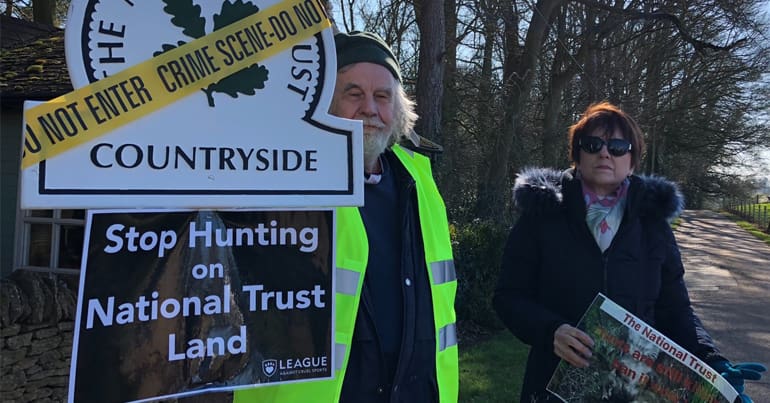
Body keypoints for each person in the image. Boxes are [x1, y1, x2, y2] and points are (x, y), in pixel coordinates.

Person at [234, 31, 458, 402]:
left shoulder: (418, 179)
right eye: (354, 94)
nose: (370, 108)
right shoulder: (282, 178)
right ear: (324, 105)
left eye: (382, 96)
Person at [493, 102, 765, 402]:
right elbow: (509, 296)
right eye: (593, 144)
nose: (605, 153)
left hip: (634, 389)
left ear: (632, 160)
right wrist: (550, 331)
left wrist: (712, 361)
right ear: (577, 155)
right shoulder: (541, 218)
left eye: (618, 146)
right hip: (553, 385)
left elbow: (675, 309)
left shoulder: (653, 225)